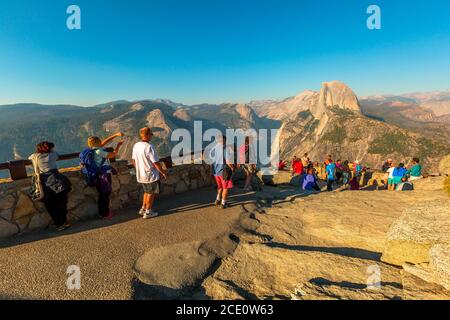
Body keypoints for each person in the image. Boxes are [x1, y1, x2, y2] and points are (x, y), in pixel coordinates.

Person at [29, 142, 72, 231]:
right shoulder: (53, 155)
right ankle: (64, 221)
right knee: (62, 202)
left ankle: (59, 224)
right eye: (52, 147)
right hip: (56, 179)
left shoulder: (34, 156)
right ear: (49, 148)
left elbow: (29, 158)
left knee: (50, 204)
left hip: (44, 181)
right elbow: (57, 155)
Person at [84, 133, 124, 219]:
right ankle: (105, 214)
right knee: (105, 194)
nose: (101, 141)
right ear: (97, 142)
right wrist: (118, 146)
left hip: (98, 174)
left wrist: (115, 135)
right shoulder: (99, 151)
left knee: (102, 194)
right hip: (104, 175)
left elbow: (105, 142)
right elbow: (113, 154)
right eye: (99, 140)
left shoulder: (93, 149)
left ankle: (103, 212)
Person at [132, 127, 167, 219]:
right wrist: (163, 172)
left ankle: (143, 208)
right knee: (151, 193)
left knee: (146, 191)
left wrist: (138, 169)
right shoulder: (149, 147)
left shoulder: (136, 145)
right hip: (150, 174)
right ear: (147, 135)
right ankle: (148, 211)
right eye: (151, 134)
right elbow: (155, 162)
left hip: (141, 174)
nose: (152, 136)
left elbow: (133, 160)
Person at [210, 135, 235, 209]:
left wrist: (211, 171)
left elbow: (211, 161)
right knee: (225, 188)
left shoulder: (213, 148)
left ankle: (217, 200)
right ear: (224, 140)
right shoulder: (224, 148)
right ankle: (223, 203)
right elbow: (227, 161)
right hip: (223, 172)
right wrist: (232, 167)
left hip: (216, 172)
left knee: (220, 187)